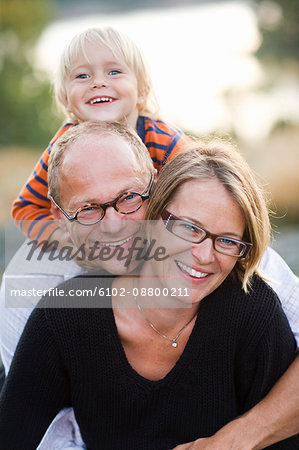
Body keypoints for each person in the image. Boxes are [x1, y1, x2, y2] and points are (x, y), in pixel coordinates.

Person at [0, 132, 298, 449]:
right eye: (189, 228)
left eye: (128, 198)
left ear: (151, 196)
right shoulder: (63, 314)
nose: (203, 255)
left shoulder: (252, 308)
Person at [11, 26, 188, 243]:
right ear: (66, 98)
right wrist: (65, 241)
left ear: (142, 90)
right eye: (82, 75)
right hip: (95, 249)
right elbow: (27, 209)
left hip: (157, 245)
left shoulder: (164, 142)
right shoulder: (64, 151)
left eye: (114, 72)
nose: (98, 82)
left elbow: (205, 189)